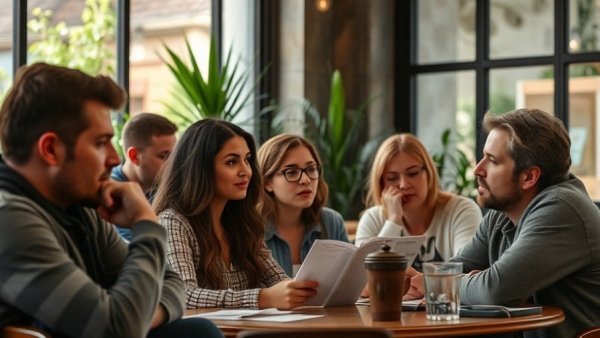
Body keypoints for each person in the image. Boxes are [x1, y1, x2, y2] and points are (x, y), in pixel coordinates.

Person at [0, 63, 222, 338]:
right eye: (100, 143)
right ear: (51, 149)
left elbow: (171, 284)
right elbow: (117, 329)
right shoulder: (9, 219)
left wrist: (138, 318)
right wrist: (146, 224)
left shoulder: (80, 210)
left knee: (195, 331)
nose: (114, 158)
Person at [406, 109, 600, 338]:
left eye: (493, 161)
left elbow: (493, 290)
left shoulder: (562, 209)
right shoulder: (503, 212)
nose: (478, 169)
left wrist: (437, 284)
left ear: (529, 177)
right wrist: (419, 281)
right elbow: (455, 270)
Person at [153, 119, 319, 309]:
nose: (246, 171)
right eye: (232, 162)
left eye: (247, 160)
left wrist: (302, 290)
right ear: (201, 168)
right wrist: (261, 298)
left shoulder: (242, 222)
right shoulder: (173, 221)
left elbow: (278, 280)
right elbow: (182, 294)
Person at [355, 133, 482, 270]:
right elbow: (362, 279)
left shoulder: (461, 210)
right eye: (392, 178)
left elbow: (467, 272)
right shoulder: (373, 219)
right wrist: (393, 221)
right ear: (381, 184)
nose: (403, 185)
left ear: (429, 173)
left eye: (413, 173)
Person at [257, 134, 349, 277]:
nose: (305, 180)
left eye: (311, 169)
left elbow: (351, 279)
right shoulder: (250, 230)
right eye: (292, 172)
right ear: (267, 182)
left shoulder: (331, 222)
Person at [112, 112, 177, 241]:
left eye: (175, 156)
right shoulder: (112, 195)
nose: (173, 164)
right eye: (164, 156)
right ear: (134, 156)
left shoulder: (162, 187)